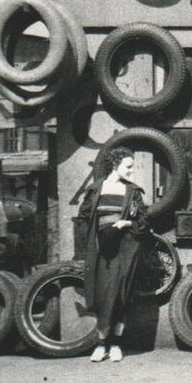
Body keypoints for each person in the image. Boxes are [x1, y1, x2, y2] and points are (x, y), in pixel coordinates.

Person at [76, 147, 149, 362]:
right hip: (102, 250)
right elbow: (83, 219)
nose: (131, 171)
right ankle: (101, 345)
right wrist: (90, 244)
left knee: (121, 295)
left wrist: (126, 223)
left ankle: (116, 344)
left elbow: (143, 221)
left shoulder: (133, 191)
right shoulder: (95, 189)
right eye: (128, 166)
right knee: (103, 295)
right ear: (115, 165)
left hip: (125, 248)